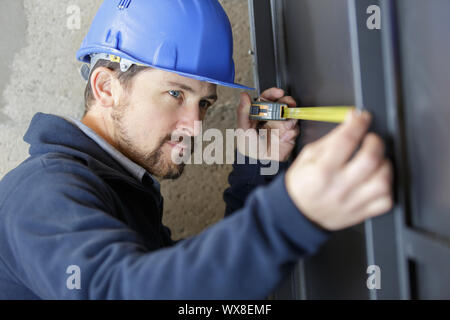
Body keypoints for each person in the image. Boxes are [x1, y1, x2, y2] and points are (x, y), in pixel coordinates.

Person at [0, 0, 393, 299]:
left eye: (203, 103)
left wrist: (258, 167)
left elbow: (185, 282)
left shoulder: (120, 186)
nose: (195, 126)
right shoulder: (43, 193)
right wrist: (292, 213)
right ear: (106, 87)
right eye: (175, 93)